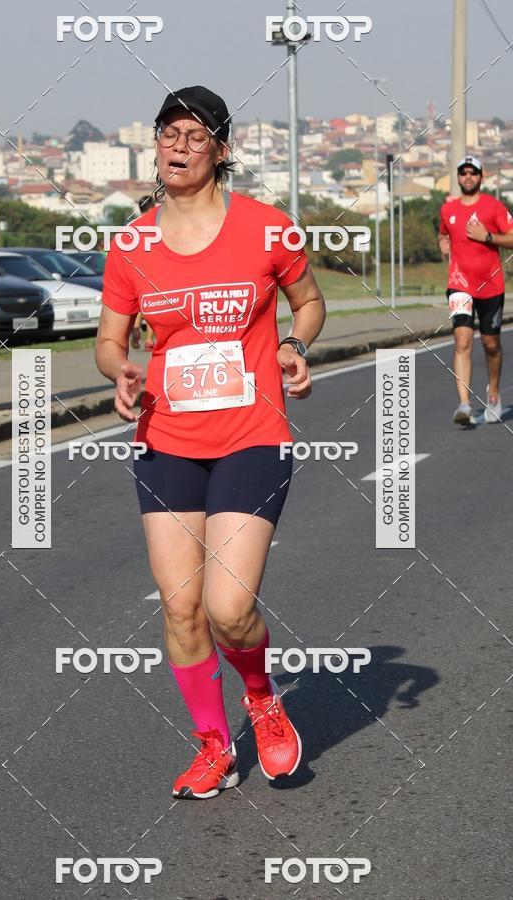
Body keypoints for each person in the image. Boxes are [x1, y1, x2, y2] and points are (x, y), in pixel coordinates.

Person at [96, 85, 326, 799]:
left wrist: (292, 344)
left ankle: (260, 695)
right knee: (180, 606)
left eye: (196, 137)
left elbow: (310, 301)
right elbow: (109, 340)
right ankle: (213, 745)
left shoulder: (267, 229)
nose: (179, 147)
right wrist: (120, 373)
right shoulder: (131, 243)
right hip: (166, 439)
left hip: (251, 436)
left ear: (221, 151)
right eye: (169, 133)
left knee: (229, 607)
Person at [438, 155, 513, 425]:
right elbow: (444, 232)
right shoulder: (448, 209)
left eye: (473, 172)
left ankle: (493, 393)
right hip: (459, 284)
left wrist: (489, 237)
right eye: (463, 173)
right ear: (458, 177)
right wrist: (442, 244)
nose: (468, 177)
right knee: (463, 340)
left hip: (491, 285)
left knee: (491, 344)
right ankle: (465, 404)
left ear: (482, 177)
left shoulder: (493, 207)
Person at [130, 195, 158, 351]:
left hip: (135, 268)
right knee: (152, 303)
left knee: (141, 303)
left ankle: (135, 325)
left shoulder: (132, 225)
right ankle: (148, 340)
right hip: (152, 268)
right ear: (152, 207)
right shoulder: (155, 224)